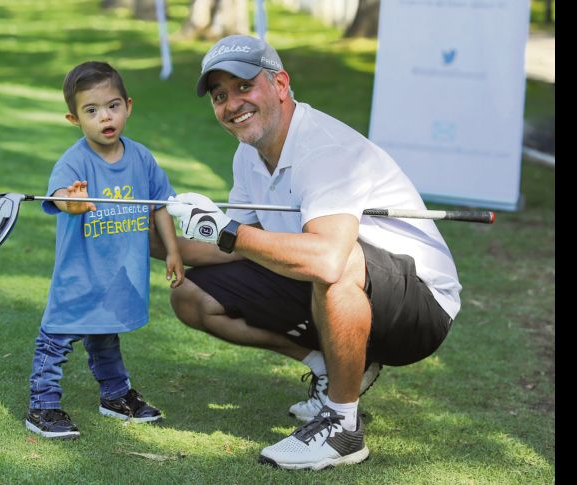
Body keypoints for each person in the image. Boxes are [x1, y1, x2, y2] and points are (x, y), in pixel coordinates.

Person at [153, 35, 461, 470]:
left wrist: (227, 231)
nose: (231, 103)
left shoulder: (322, 147)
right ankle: (332, 369)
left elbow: (327, 259)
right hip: (342, 288)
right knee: (190, 297)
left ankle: (342, 428)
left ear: (280, 84)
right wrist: (150, 235)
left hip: (420, 308)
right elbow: (234, 244)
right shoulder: (248, 154)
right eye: (220, 96)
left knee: (334, 260)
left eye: (244, 86)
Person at [25, 61, 184, 440]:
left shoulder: (142, 158)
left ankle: (115, 395)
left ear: (128, 106)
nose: (105, 117)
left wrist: (174, 250)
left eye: (112, 106)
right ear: (74, 118)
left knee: (105, 332)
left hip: (118, 273)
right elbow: (61, 195)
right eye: (91, 110)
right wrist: (72, 203)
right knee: (57, 337)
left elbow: (158, 203)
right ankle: (42, 405)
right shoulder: (74, 160)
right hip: (80, 273)